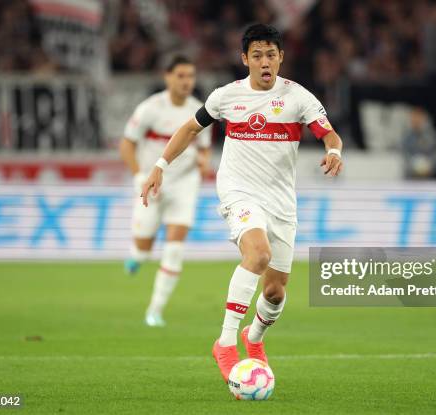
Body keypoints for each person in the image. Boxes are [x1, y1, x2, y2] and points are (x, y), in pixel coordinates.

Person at [140, 23, 344, 382]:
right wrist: (159, 166)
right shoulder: (226, 96)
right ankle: (225, 342)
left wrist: (334, 150)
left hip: (281, 201)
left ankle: (254, 337)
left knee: (276, 292)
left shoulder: (298, 97)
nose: (264, 62)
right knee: (258, 254)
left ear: (281, 57)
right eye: (257, 55)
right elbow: (190, 128)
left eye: (271, 55)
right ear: (244, 59)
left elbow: (327, 132)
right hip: (238, 191)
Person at [119, 55, 212, 327]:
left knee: (174, 248)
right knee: (143, 248)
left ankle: (155, 310)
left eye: (190, 76)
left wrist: (204, 160)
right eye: (181, 75)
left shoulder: (199, 110)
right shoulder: (150, 108)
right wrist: (138, 175)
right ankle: (137, 257)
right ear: (168, 77)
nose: (186, 81)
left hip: (185, 183)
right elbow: (127, 145)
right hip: (151, 182)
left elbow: (203, 146)